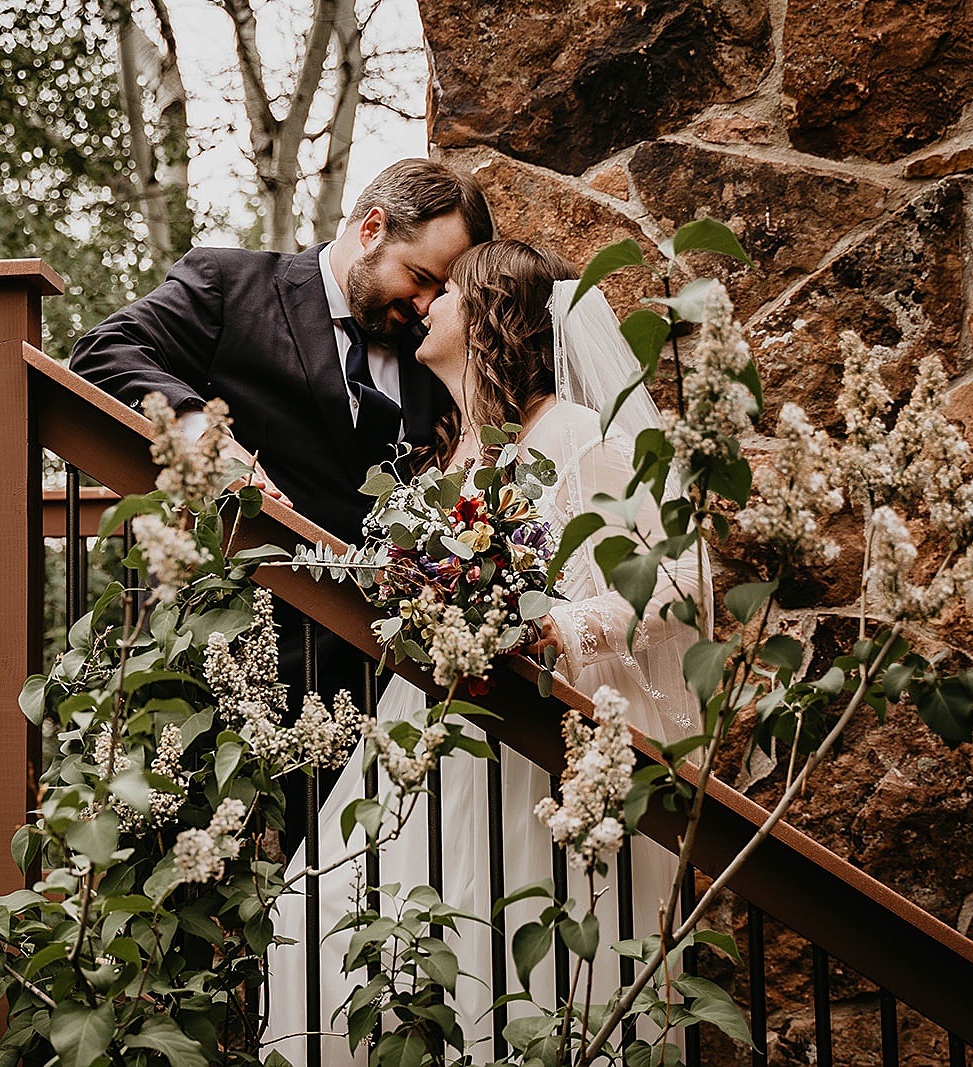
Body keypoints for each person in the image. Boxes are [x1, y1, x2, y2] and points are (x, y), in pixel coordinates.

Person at [262, 240, 709, 1064]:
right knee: (319, 919)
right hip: (443, 727)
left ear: (489, 316)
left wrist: (554, 628)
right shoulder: (454, 448)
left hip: (548, 736)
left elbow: (680, 577)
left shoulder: (576, 433)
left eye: (447, 291)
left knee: (512, 949)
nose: (425, 303)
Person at [71, 160, 494, 843]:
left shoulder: (430, 346)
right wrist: (206, 438)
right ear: (373, 228)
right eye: (420, 277)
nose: (424, 303)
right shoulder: (229, 284)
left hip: (369, 690)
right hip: (221, 669)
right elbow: (101, 351)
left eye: (440, 289)